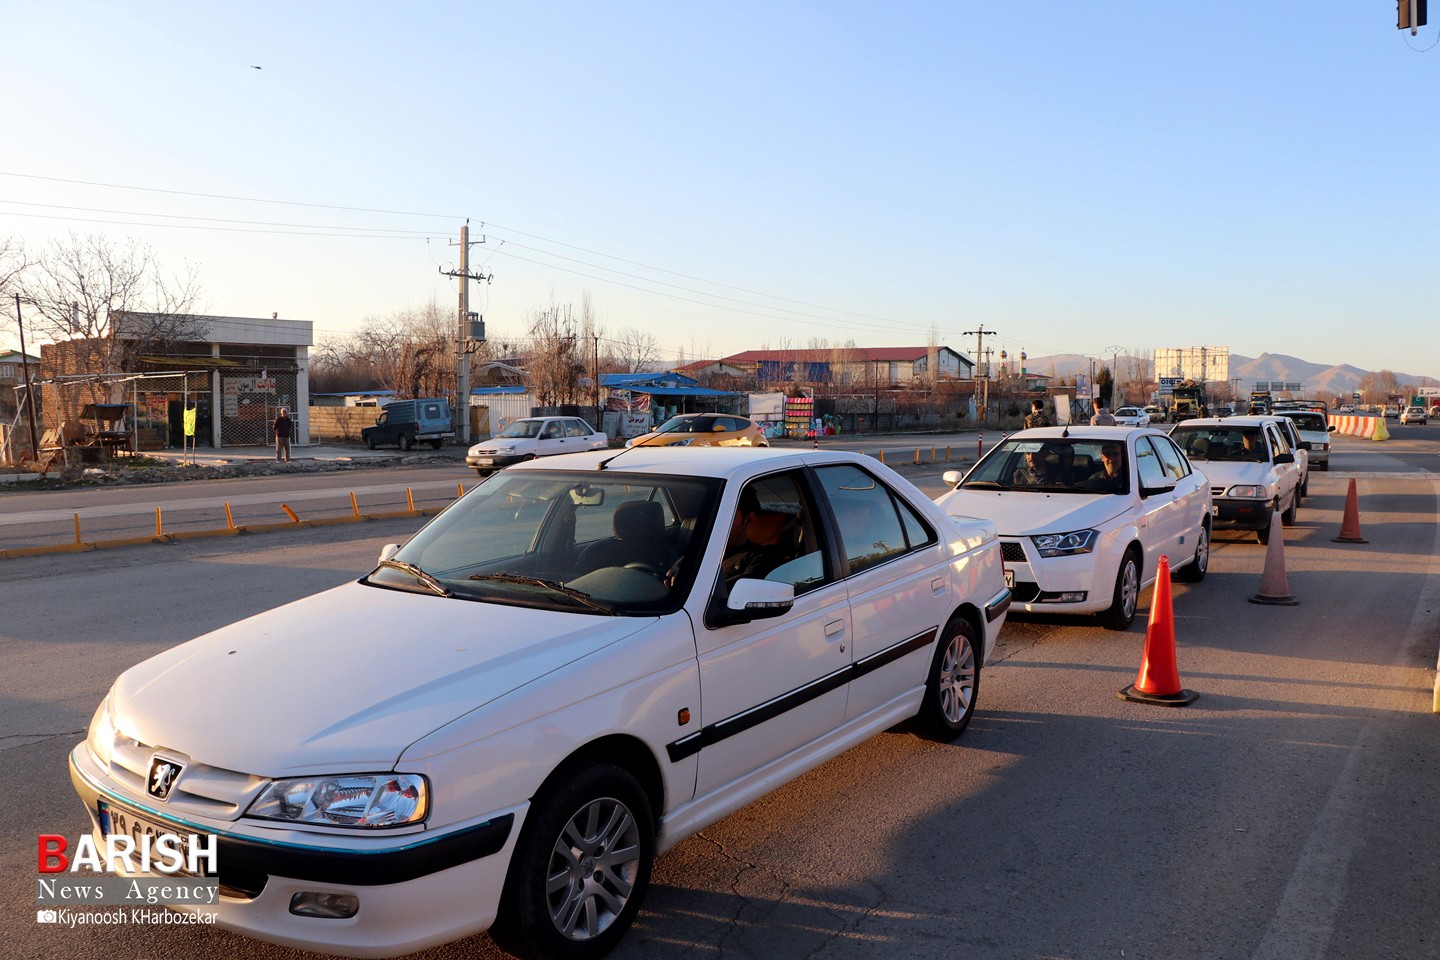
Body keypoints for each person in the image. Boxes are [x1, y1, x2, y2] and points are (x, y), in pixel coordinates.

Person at [722, 487, 796, 585]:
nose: (718, 523)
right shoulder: (698, 549)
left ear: (748, 520)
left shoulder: (763, 558)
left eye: (727, 517)